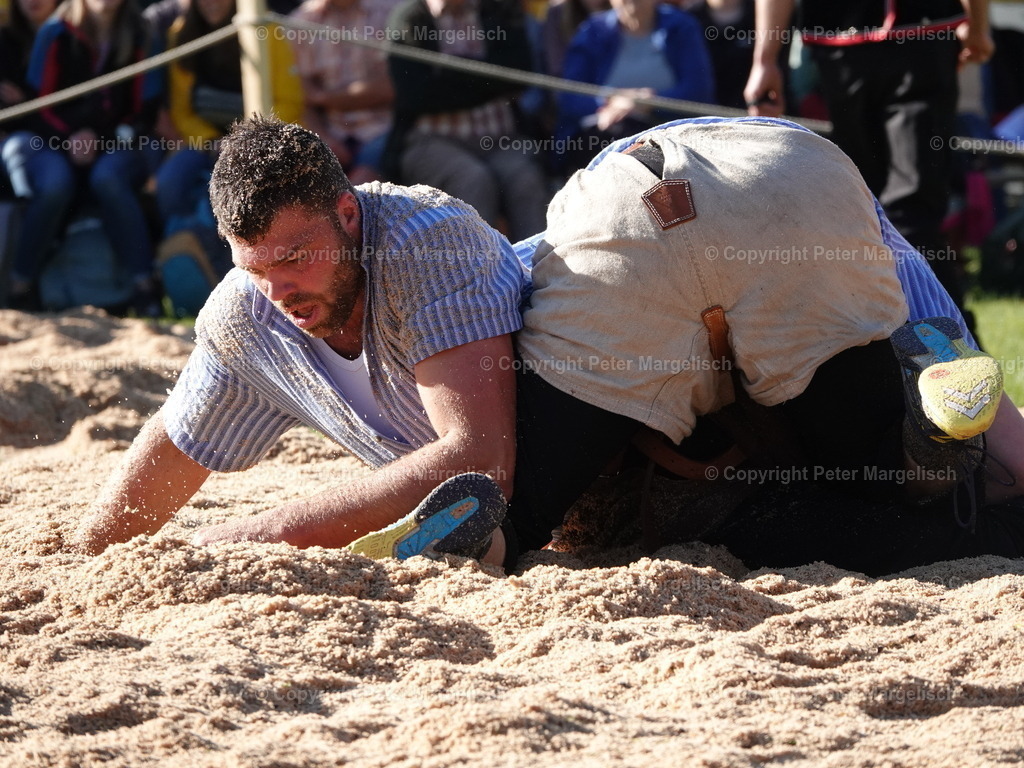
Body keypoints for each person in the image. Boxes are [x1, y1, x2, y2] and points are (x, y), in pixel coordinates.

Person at [73, 116, 1024, 577]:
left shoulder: (426, 240)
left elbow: (478, 454)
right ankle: (934, 450)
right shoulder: (249, 314)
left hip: (621, 319)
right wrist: (95, 553)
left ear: (347, 213)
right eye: (257, 268)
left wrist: (241, 535)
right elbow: (174, 439)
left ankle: (489, 543)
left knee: (584, 510)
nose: (278, 288)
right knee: (869, 460)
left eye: (296, 258)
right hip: (756, 199)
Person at [743, 0, 995, 333]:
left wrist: (766, 59)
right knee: (867, 213)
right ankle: (933, 349)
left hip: (906, 38)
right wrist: (977, 27)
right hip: (865, 42)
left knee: (904, 215)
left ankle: (946, 349)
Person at [7, 0, 163, 314]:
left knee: (108, 178)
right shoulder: (56, 32)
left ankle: (145, 289)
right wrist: (71, 138)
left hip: (123, 142)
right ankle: (19, 287)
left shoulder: (143, 32)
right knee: (53, 185)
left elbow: (145, 108)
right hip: (56, 140)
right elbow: (38, 106)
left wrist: (101, 139)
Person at [383, 0, 548, 242]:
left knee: (526, 180)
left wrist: (447, 78)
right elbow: (416, 95)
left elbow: (518, 74)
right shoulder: (409, 17)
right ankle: (481, 273)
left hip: (502, 140)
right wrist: (487, 76)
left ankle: (538, 269)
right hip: (433, 143)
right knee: (472, 179)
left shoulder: (501, 9)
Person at [556, 0, 714, 172]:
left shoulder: (681, 26)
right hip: (603, 138)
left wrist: (648, 102)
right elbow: (569, 97)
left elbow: (698, 91)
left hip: (671, 139)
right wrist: (610, 101)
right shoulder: (592, 31)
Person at [288, 0, 393, 184]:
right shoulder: (300, 21)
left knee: (364, 186)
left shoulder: (390, 10)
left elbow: (392, 88)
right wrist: (322, 137)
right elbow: (300, 99)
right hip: (328, 132)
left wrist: (323, 98)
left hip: (384, 130)